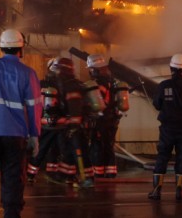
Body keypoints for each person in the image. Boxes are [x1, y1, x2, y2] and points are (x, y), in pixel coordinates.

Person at [0, 29, 42, 218]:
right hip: (15, 134)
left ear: (1, 47)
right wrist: (34, 135)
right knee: (13, 177)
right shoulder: (28, 73)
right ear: (21, 48)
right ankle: (11, 213)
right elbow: (34, 107)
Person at [148, 53, 182, 201]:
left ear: (171, 67)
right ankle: (179, 190)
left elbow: (157, 104)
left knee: (162, 157)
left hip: (167, 129)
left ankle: (157, 190)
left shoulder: (163, 86)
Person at [52, 56, 94, 187]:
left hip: (76, 125)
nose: (56, 73)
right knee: (70, 150)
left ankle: (86, 179)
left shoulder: (70, 85)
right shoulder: (68, 83)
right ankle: (66, 176)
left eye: (57, 70)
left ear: (62, 70)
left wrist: (74, 125)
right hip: (72, 123)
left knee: (79, 151)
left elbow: (75, 104)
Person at [87, 53, 126, 179]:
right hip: (113, 120)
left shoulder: (97, 84)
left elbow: (94, 104)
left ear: (94, 69)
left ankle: (98, 174)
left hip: (100, 120)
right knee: (109, 146)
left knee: (98, 146)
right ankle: (111, 173)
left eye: (91, 69)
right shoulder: (112, 82)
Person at [26, 58, 63, 183]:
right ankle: (50, 173)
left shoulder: (39, 83)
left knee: (43, 148)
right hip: (56, 122)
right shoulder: (61, 85)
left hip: (41, 120)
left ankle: (31, 174)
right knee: (54, 147)